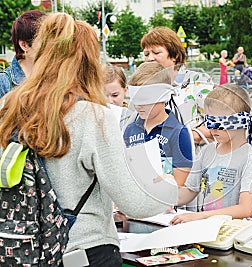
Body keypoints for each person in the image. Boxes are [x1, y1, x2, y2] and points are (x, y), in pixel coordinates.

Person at [0, 13, 177, 267]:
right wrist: (168, 187)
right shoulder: (91, 116)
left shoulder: (7, 106)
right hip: (83, 251)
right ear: (88, 62)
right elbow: (134, 202)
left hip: (22, 249)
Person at [170, 83, 252, 225]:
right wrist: (164, 201)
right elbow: (189, 190)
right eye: (209, 121)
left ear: (240, 122)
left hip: (231, 232)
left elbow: (246, 209)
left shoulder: (251, 159)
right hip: (206, 228)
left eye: (218, 123)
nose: (212, 129)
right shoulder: (207, 151)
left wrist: (202, 216)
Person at [140, 27, 214, 145]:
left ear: (174, 55)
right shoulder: (146, 87)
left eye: (156, 52)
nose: (150, 58)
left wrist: (190, 136)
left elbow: (220, 124)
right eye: (146, 54)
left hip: (195, 159)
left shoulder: (198, 81)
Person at [124, 62, 193, 187]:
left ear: (163, 97)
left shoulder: (178, 133)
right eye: (136, 98)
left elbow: (181, 182)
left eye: (145, 99)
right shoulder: (130, 130)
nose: (139, 105)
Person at [0, 10, 46, 98]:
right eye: (44, 41)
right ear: (24, 45)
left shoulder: (56, 77)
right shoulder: (3, 84)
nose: (51, 46)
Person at [103, 64, 133, 130]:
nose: (110, 101)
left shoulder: (133, 119)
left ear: (125, 90)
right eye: (103, 96)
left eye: (115, 95)